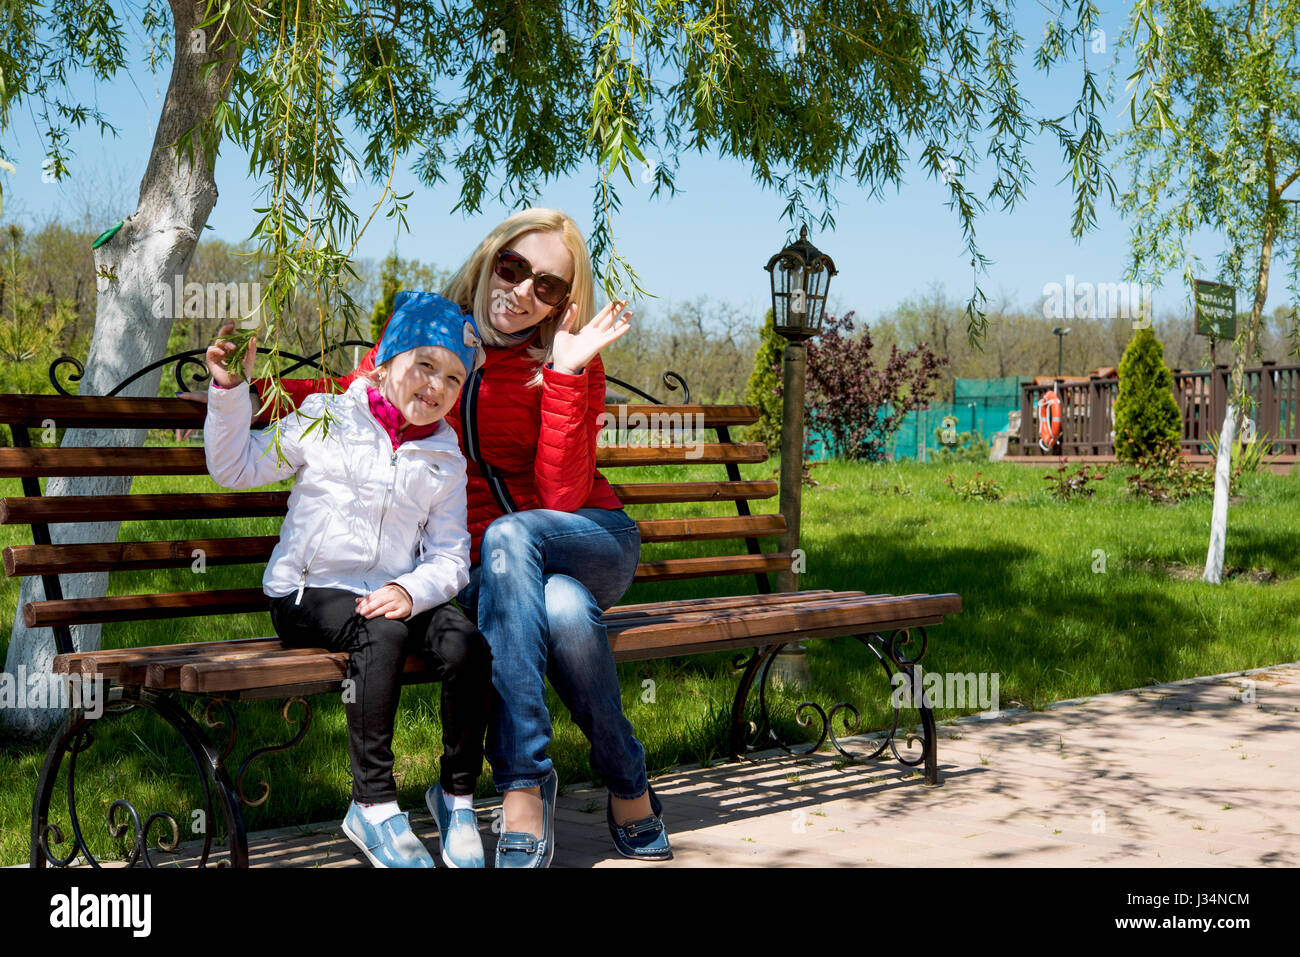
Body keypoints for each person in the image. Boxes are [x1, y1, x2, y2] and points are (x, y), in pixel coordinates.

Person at [243, 208, 672, 867]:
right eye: (514, 267)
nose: (523, 291)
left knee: (508, 539)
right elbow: (357, 394)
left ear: (564, 299)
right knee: (555, 607)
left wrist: (563, 374)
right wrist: (249, 396)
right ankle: (629, 783)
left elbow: (562, 495)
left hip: (588, 536)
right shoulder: (434, 331)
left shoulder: (570, 355)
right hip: (499, 569)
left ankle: (523, 788)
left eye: (547, 286)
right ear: (491, 257)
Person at [202, 294, 493, 869]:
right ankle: (374, 805)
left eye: (454, 379)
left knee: (466, 642)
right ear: (384, 362)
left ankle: (458, 796)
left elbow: (452, 558)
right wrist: (231, 392)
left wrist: (412, 591)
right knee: (379, 633)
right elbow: (235, 467)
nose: (437, 387)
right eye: (425, 366)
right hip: (306, 594)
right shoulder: (327, 418)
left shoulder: (445, 453)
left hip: (390, 592)